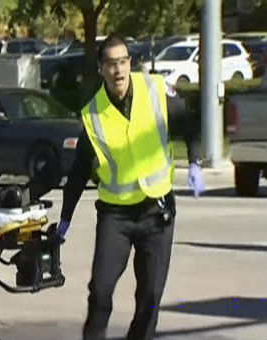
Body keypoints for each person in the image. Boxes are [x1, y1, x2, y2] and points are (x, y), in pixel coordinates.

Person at [57, 35, 205, 340]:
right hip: (116, 217)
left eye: (123, 62)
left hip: (157, 213)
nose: (118, 70)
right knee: (100, 292)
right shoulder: (93, 114)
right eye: (111, 64)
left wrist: (195, 162)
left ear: (130, 64)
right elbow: (79, 171)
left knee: (149, 298)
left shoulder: (155, 91)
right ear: (101, 69)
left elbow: (189, 124)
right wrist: (66, 216)